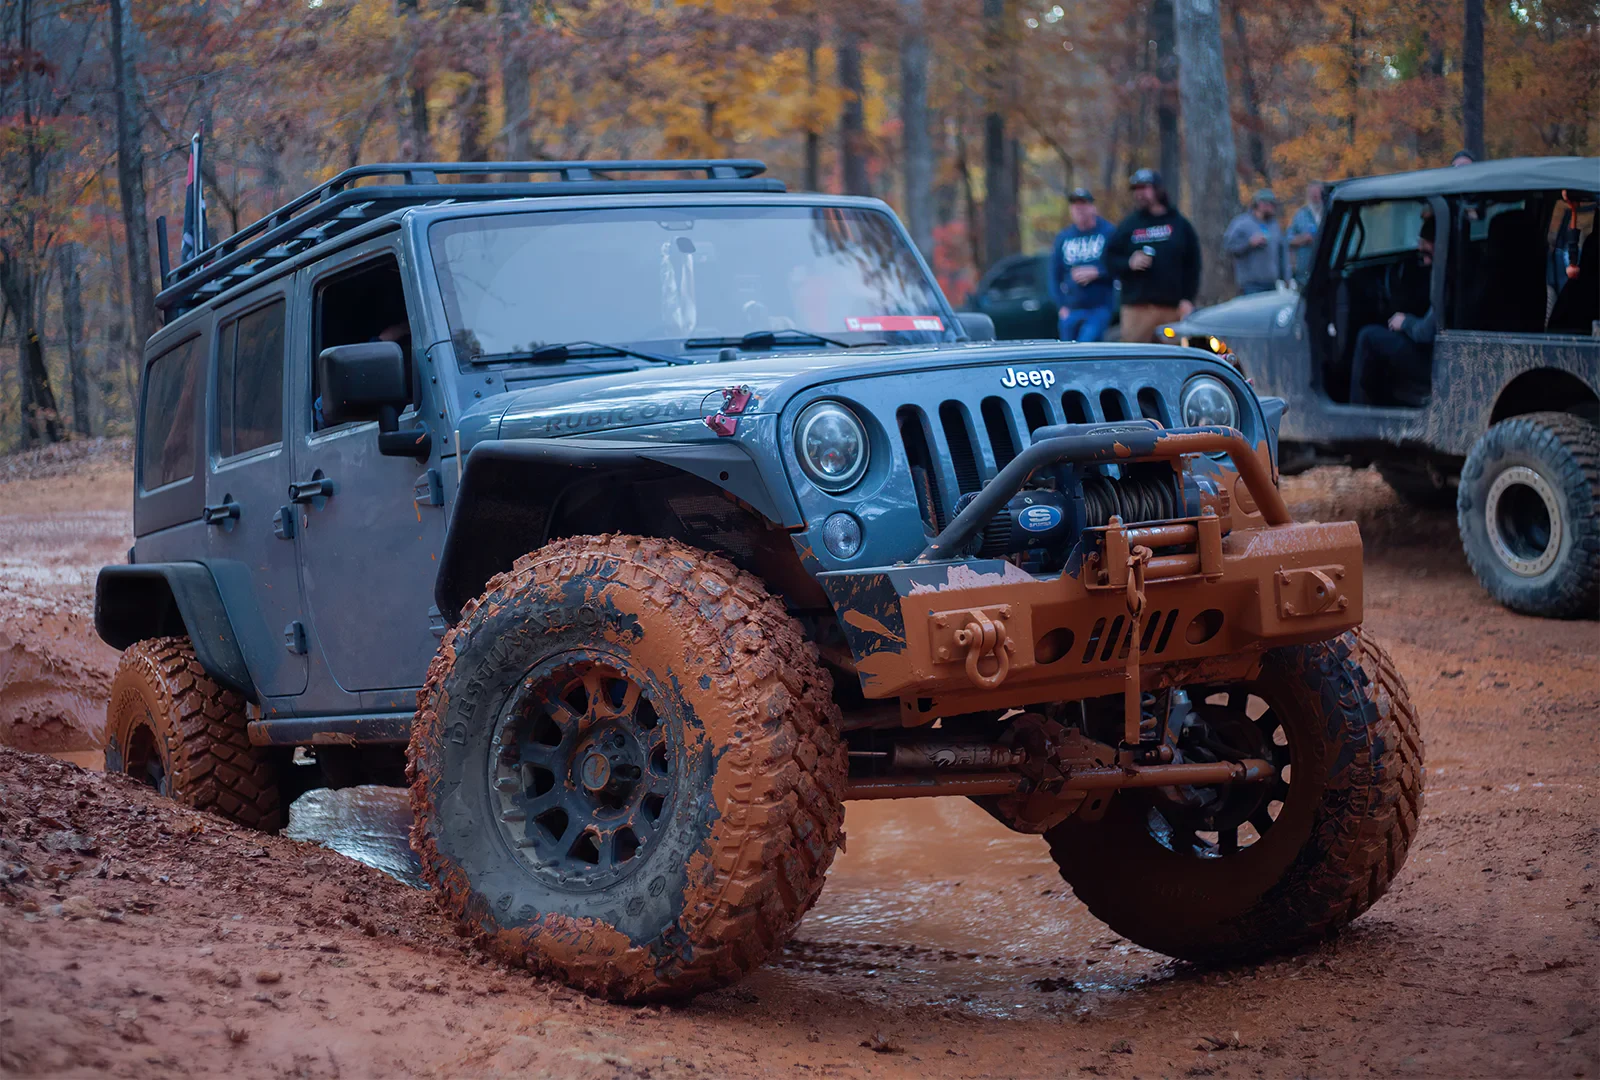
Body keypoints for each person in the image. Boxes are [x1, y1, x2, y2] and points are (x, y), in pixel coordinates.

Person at [1348, 215, 1436, 406]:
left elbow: (1425, 333)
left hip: (1435, 359)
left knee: (1367, 337)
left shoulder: (1447, 276)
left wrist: (1404, 321)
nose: (1425, 262)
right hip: (1441, 354)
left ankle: (1357, 414)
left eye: (1427, 254)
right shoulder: (1465, 266)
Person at [1106, 168, 1201, 344]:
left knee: (1171, 359)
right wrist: (1129, 262)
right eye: (1136, 189)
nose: (1139, 194)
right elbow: (1109, 260)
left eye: (1144, 188)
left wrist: (1188, 299)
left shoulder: (1179, 224)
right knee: (1134, 359)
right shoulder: (1129, 225)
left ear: (1158, 189)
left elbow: (1193, 265)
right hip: (1137, 310)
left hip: (1171, 309)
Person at [1049, 187, 1117, 342]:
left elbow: (1119, 266)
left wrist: (1098, 272)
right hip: (1071, 309)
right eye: (1074, 205)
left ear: (1093, 208)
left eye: (1083, 205)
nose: (1079, 209)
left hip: (1099, 308)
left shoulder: (1108, 232)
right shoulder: (1064, 237)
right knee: (1067, 353)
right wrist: (1061, 306)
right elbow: (1054, 274)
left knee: (1086, 345)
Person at [1223, 189, 1289, 296]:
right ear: (1260, 204)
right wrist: (1249, 243)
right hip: (1251, 284)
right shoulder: (1241, 223)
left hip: (1271, 283)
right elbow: (1228, 246)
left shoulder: (1274, 225)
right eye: (1271, 204)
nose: (1273, 208)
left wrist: (1286, 277)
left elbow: (1282, 253)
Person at [1287, 180, 1324, 286]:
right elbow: (1288, 239)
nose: (1315, 197)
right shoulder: (1300, 215)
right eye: (1312, 194)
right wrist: (1303, 239)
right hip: (1305, 271)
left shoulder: (1330, 211)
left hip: (1327, 268)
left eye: (1317, 194)